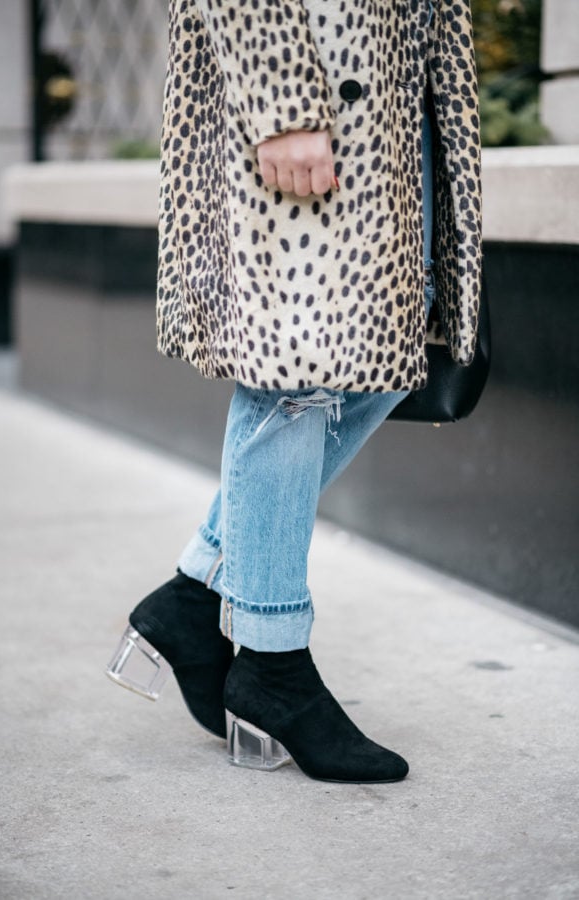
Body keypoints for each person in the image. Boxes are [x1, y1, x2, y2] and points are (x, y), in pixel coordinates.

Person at [107, 0, 482, 783]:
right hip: (312, 75)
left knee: (396, 345)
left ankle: (195, 591)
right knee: (295, 369)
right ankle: (273, 663)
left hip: (392, 77)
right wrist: (282, 104)